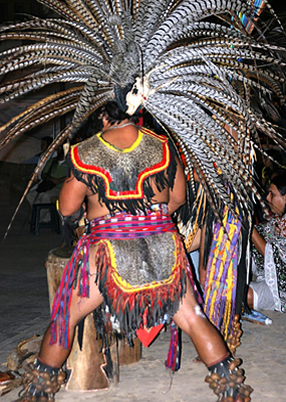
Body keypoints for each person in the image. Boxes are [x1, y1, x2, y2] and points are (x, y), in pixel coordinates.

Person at [15, 101, 252, 402]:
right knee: (193, 318)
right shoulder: (163, 146)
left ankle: (36, 393)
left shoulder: (85, 152)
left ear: (102, 114)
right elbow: (178, 198)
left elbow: (67, 208)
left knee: (65, 319)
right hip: (164, 248)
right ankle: (232, 389)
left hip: (107, 255)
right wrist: (151, 220)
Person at [247, 174, 286, 312]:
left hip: (282, 291)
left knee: (243, 295)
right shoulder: (277, 221)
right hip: (268, 279)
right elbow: (262, 233)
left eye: (272, 194)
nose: (267, 198)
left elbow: (274, 257)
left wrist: (249, 227)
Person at [26, 145, 67, 222]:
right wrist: (52, 179)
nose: (58, 151)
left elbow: (71, 175)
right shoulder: (52, 160)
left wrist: (59, 180)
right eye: (57, 149)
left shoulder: (69, 162)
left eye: (60, 149)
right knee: (30, 195)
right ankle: (46, 217)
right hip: (48, 186)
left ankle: (37, 219)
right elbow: (43, 174)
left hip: (60, 189)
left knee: (46, 196)